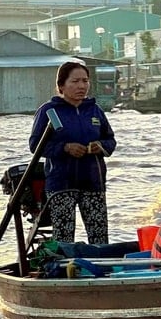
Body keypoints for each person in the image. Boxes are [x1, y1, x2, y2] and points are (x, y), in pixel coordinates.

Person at [29, 61, 117, 244]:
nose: (81, 86)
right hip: (61, 184)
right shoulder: (49, 111)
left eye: (85, 81)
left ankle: (100, 268)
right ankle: (64, 269)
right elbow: (35, 145)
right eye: (75, 81)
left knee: (99, 236)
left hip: (93, 182)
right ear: (61, 85)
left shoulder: (94, 110)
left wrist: (99, 146)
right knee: (64, 238)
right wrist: (65, 148)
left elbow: (110, 140)